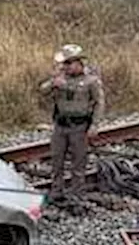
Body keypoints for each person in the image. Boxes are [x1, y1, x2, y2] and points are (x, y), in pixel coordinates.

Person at [39, 43, 104, 200]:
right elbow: (43, 90)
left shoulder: (91, 81)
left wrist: (95, 124)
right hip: (60, 125)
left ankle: (77, 193)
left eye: (69, 63)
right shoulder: (60, 78)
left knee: (78, 162)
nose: (66, 67)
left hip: (79, 126)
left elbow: (99, 103)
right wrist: (53, 83)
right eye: (64, 64)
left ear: (79, 62)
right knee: (57, 160)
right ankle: (57, 191)